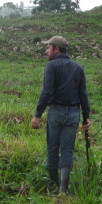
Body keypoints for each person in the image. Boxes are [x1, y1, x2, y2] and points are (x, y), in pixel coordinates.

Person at [31, 36, 90, 195]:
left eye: (48, 47)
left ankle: (54, 184)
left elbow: (47, 91)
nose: (46, 50)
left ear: (56, 49)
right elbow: (82, 93)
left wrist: (37, 115)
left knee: (52, 147)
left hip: (56, 112)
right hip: (73, 113)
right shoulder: (78, 67)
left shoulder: (51, 66)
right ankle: (64, 189)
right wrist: (86, 116)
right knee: (67, 149)